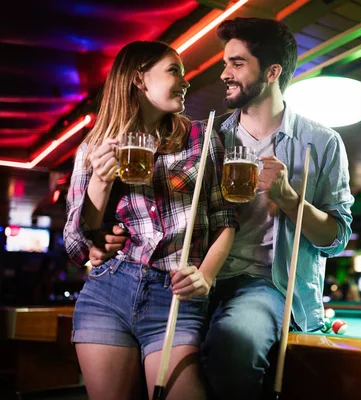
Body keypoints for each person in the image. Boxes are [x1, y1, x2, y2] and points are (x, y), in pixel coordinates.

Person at [87, 18, 354, 400]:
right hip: (193, 277)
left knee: (234, 348)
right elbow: (156, 203)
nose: (224, 73)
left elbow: (336, 240)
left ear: (273, 71)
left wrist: (290, 199)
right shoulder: (207, 135)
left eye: (237, 63)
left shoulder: (321, 143)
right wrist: (108, 235)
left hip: (266, 284)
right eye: (225, 63)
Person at [63, 41, 237, 400]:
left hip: (174, 295)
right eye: (175, 70)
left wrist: (205, 275)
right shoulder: (93, 147)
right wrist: (100, 180)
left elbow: (225, 220)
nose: (185, 81)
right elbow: (77, 245)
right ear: (139, 79)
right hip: (108, 292)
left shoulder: (202, 138)